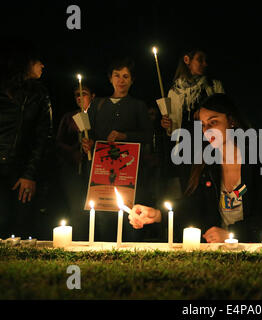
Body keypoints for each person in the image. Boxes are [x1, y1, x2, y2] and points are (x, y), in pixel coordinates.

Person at [128, 93, 262, 243]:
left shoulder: (261, 160)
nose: (207, 130)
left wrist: (233, 234)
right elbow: (193, 207)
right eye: (203, 125)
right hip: (219, 251)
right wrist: (157, 215)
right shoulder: (207, 165)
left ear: (232, 121)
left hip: (259, 249)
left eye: (213, 122)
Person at [81, 57, 153, 241]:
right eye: (117, 75)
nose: (121, 80)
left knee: (131, 223)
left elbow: (147, 136)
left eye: (126, 76)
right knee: (105, 221)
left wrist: (125, 136)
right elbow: (89, 134)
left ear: (132, 80)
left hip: (129, 174)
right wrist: (87, 144)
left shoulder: (138, 105)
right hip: (102, 173)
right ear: (110, 78)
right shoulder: (97, 104)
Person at [0, 41, 52, 238]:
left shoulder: (39, 94)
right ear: (26, 62)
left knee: (21, 223)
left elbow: (43, 137)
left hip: (21, 170)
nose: (43, 65)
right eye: (38, 61)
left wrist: (29, 174)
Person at [160, 48, 225, 194]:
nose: (205, 64)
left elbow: (224, 112)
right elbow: (173, 128)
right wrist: (166, 125)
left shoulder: (213, 86)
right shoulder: (174, 91)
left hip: (209, 145)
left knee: (210, 186)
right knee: (187, 188)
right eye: (200, 59)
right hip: (184, 147)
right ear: (187, 60)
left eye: (205, 60)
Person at [56, 83, 96, 240]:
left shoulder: (98, 116)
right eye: (77, 95)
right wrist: (72, 152)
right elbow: (58, 142)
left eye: (84, 93)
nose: (80, 97)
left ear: (92, 96)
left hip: (94, 170)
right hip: (73, 170)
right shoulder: (68, 117)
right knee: (77, 208)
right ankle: (79, 239)